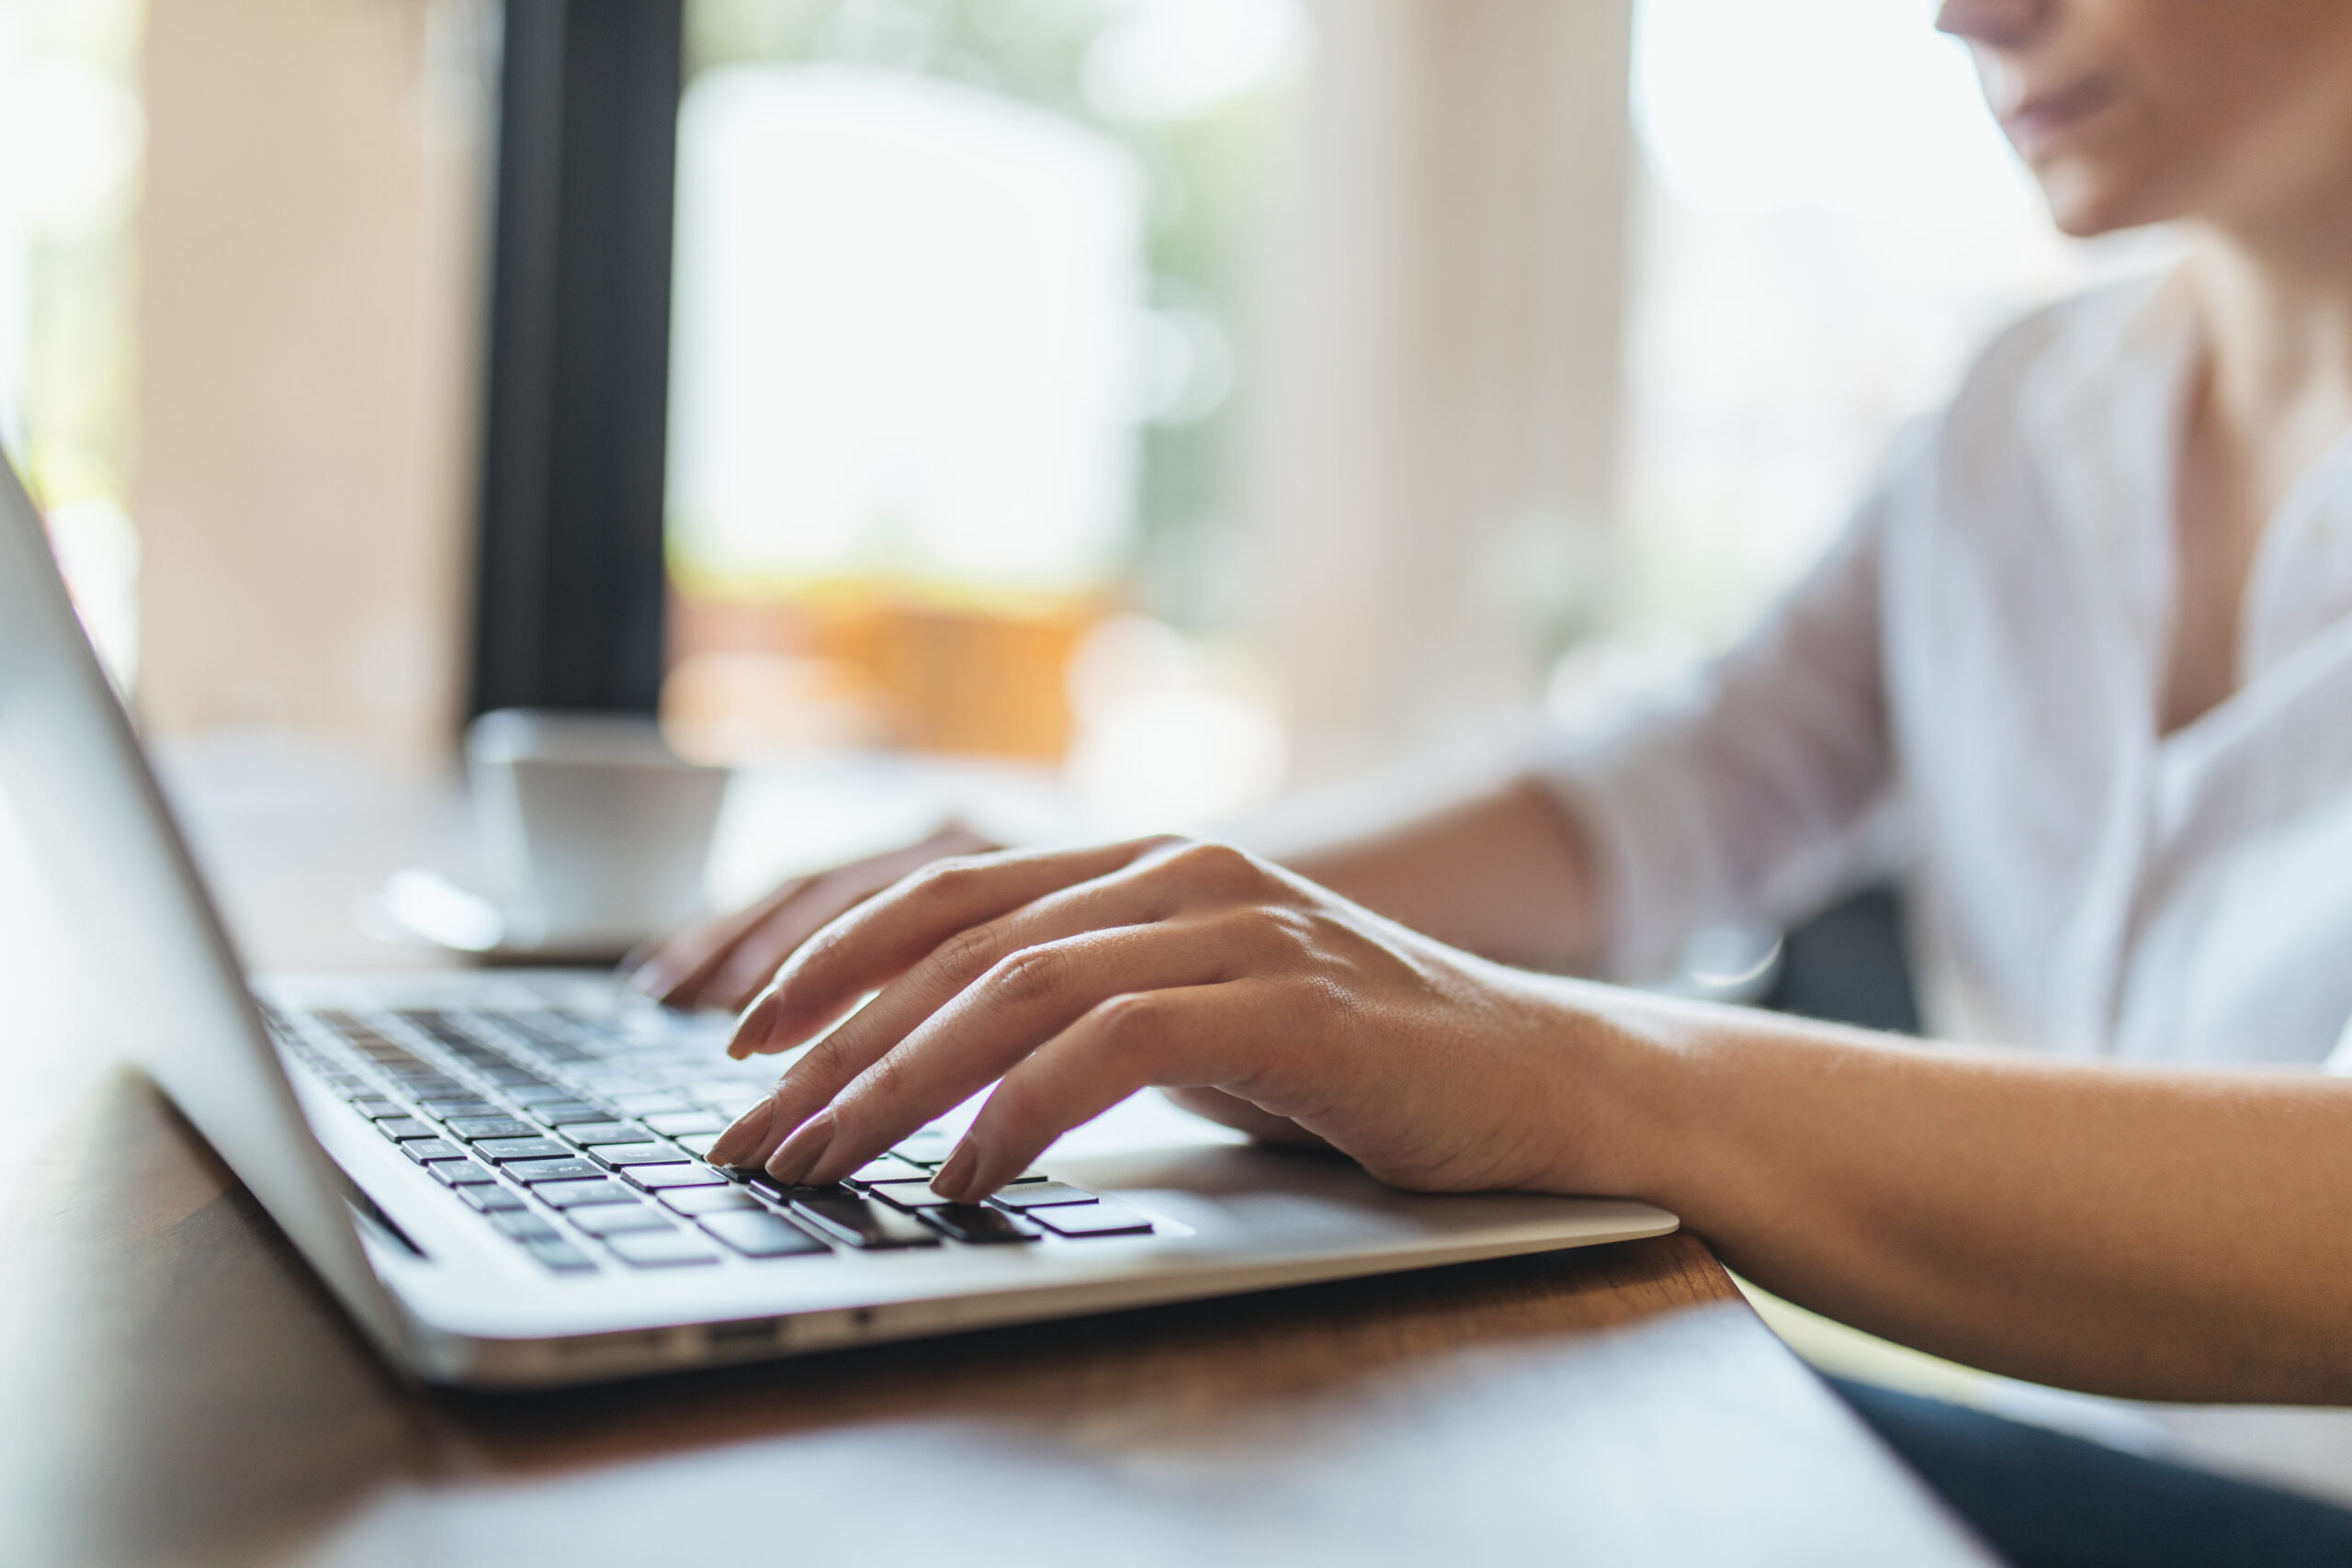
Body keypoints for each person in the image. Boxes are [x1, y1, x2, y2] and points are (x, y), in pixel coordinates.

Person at [658, 2, 2352, 1557]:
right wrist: (1109, 918)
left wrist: (1576, 1070)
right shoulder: (2023, 413)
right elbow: (1655, 795)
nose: (1967, 12)